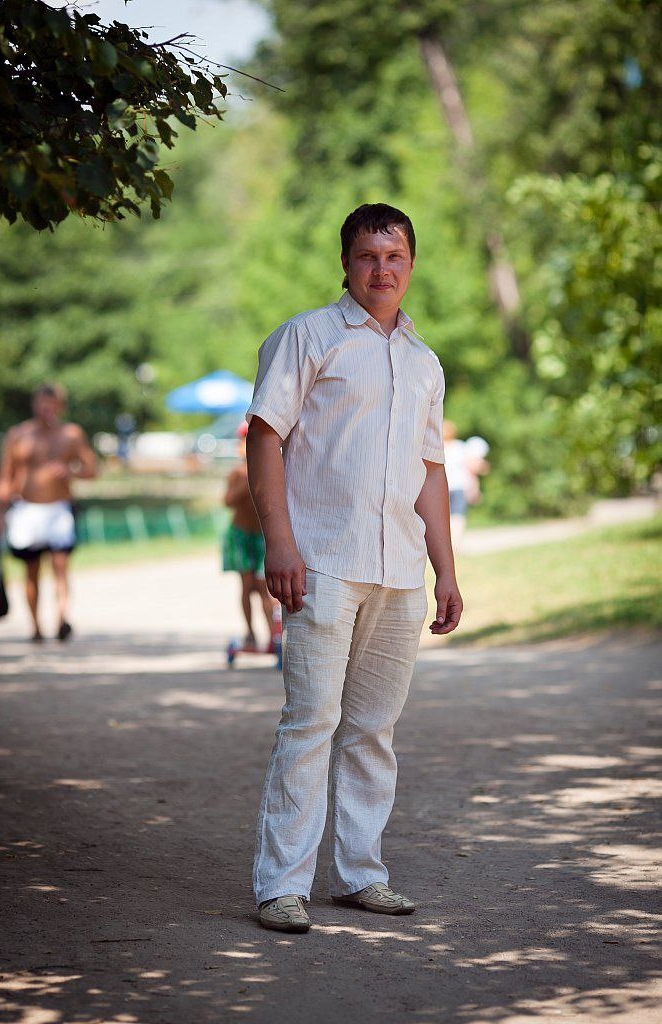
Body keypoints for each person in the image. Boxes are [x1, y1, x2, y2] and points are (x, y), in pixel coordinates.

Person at [246, 203, 463, 934]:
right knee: (311, 720)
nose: (381, 269)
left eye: (394, 256)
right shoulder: (307, 336)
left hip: (399, 569)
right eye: (368, 255)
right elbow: (264, 437)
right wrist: (280, 543)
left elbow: (430, 472)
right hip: (322, 560)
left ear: (412, 265)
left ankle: (361, 874)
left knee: (373, 728)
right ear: (346, 263)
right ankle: (282, 886)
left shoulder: (424, 362)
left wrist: (445, 571)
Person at [0, 384, 98, 642]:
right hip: (26, 509)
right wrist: (0, 514)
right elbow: (5, 477)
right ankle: (36, 627)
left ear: (60, 407)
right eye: (42, 403)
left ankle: (61, 618)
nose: (46, 409)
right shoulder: (19, 435)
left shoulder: (71, 434)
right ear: (34, 404)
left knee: (60, 566)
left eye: (51, 404)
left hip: (59, 508)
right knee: (31, 570)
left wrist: (71, 471)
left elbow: (92, 470)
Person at [222, 422, 276, 649]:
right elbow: (227, 501)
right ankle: (250, 633)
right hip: (242, 535)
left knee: (264, 586)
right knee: (246, 585)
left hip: (262, 536)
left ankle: (272, 635)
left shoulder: (269, 469)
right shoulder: (238, 473)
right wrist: (246, 482)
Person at [443, 421, 490, 548]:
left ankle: (444, 544)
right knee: (457, 516)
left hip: (441, 487)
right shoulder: (459, 447)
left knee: (442, 517)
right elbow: (472, 466)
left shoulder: (435, 449)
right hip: (459, 486)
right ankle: (455, 545)